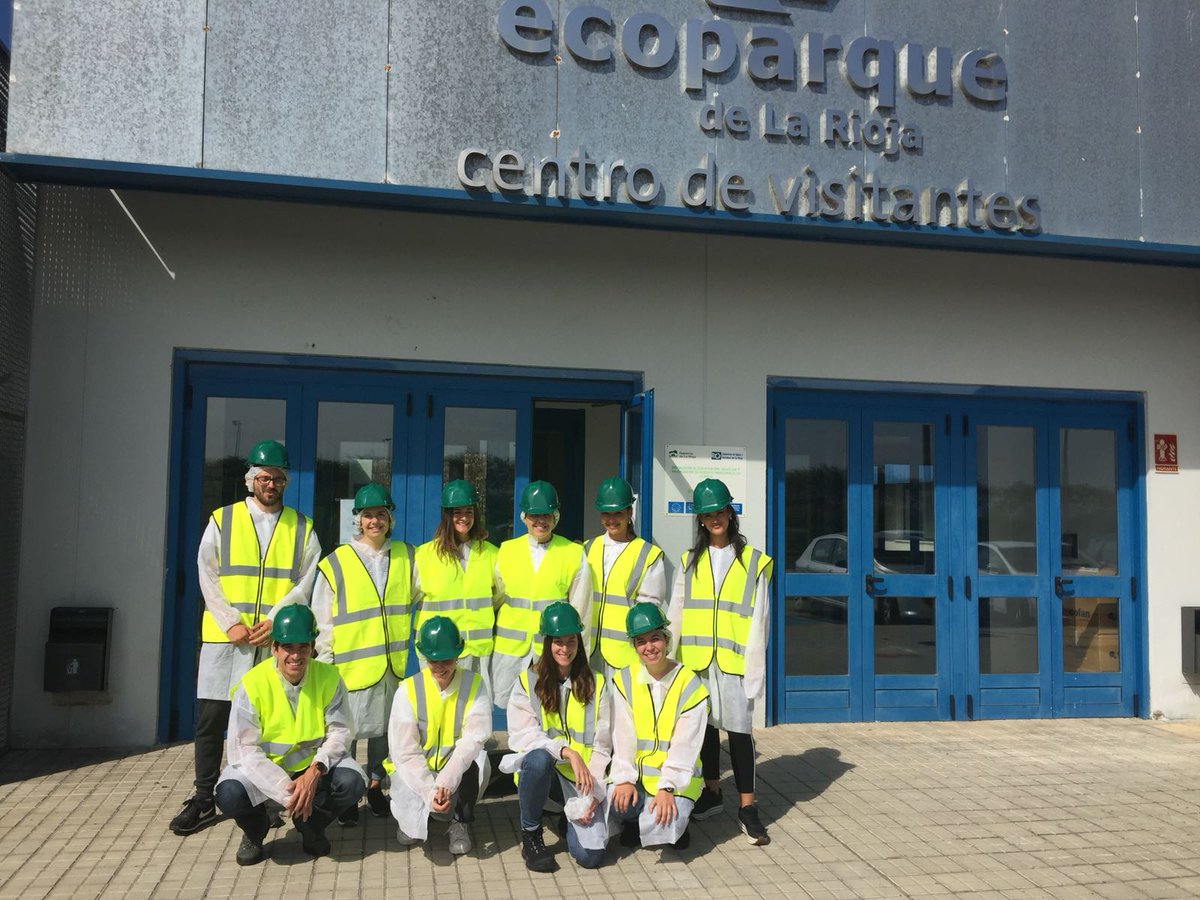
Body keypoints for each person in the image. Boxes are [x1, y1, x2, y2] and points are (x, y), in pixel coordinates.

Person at [170, 439, 321, 836]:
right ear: (250, 479)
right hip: (227, 641)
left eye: (279, 479)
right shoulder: (223, 520)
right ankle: (203, 797)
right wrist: (229, 622)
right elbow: (208, 573)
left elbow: (305, 582)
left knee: (267, 722)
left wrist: (275, 621)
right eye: (265, 478)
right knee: (211, 720)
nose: (272, 485)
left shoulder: (302, 527)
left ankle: (268, 796)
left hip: (272, 641)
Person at [214, 605, 365, 865]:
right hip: (267, 768)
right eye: (288, 647)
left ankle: (311, 826)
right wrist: (289, 794)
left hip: (310, 767)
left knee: (353, 782)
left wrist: (315, 770)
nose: (296, 655)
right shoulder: (252, 684)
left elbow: (340, 732)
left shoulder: (329, 677)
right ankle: (255, 830)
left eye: (303, 647)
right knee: (228, 793)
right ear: (274, 649)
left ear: (312, 646)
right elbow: (244, 751)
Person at [667, 478, 774, 845]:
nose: (715, 518)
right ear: (699, 519)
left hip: (733, 663)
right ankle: (712, 793)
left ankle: (748, 808)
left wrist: (755, 673)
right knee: (706, 730)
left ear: (731, 513)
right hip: (696, 661)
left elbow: (760, 622)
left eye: (721, 511)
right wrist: (668, 662)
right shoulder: (688, 561)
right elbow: (676, 613)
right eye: (708, 513)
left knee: (740, 734)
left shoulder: (754, 562)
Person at [313, 482, 413, 825]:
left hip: (393, 664)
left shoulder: (406, 555)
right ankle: (346, 799)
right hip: (351, 666)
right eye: (368, 515)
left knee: (386, 732)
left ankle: (374, 787)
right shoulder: (336, 562)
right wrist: (325, 664)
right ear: (358, 519)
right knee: (348, 734)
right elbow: (323, 621)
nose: (375, 521)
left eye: (381, 515)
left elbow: (420, 599)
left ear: (390, 518)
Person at [503, 601, 611, 872]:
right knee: (537, 759)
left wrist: (593, 796)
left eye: (571, 641)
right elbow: (522, 736)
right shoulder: (528, 681)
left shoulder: (596, 683)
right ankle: (531, 833)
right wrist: (567, 752)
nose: (565, 649)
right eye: (558, 642)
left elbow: (604, 744)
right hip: (545, 779)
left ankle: (566, 819)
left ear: (579, 642)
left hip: (583, 782)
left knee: (589, 857)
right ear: (547, 642)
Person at [607, 602, 708, 851]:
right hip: (639, 778)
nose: (649, 647)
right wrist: (624, 780)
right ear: (634, 646)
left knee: (666, 827)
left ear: (666, 639)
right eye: (641, 641)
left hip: (676, 779)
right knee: (613, 804)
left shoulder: (689, 684)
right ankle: (633, 819)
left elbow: (686, 746)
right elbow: (622, 738)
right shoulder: (624, 679)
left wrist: (667, 787)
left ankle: (678, 818)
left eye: (655, 639)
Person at [387, 616, 492, 854]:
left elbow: (471, 741)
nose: (441, 667)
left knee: (477, 763)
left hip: (453, 767)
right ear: (425, 657)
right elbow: (405, 752)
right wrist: (429, 790)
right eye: (434, 661)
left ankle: (459, 822)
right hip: (416, 768)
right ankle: (411, 820)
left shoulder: (474, 685)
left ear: (458, 654)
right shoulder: (408, 690)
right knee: (404, 787)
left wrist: (444, 782)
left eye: (447, 659)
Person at [491, 480, 591, 710]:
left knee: (550, 708)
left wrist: (577, 657)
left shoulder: (573, 553)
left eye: (546, 515)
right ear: (524, 517)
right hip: (510, 650)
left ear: (555, 516)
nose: (540, 521)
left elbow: (581, 610)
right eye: (534, 516)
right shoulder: (506, 551)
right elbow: (496, 599)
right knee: (510, 710)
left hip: (551, 650)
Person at [413, 479, 501, 701]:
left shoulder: (490, 553)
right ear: (446, 515)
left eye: (469, 511)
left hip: (477, 650)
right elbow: (410, 598)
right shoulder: (424, 555)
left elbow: (498, 597)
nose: (464, 517)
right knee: (435, 708)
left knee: (473, 710)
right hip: (438, 651)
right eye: (457, 512)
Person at [585, 476, 666, 679]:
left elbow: (650, 607)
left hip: (625, 653)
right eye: (606, 513)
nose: (611, 519)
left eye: (618, 513)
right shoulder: (587, 548)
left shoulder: (647, 554)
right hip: (588, 651)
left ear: (630, 512)